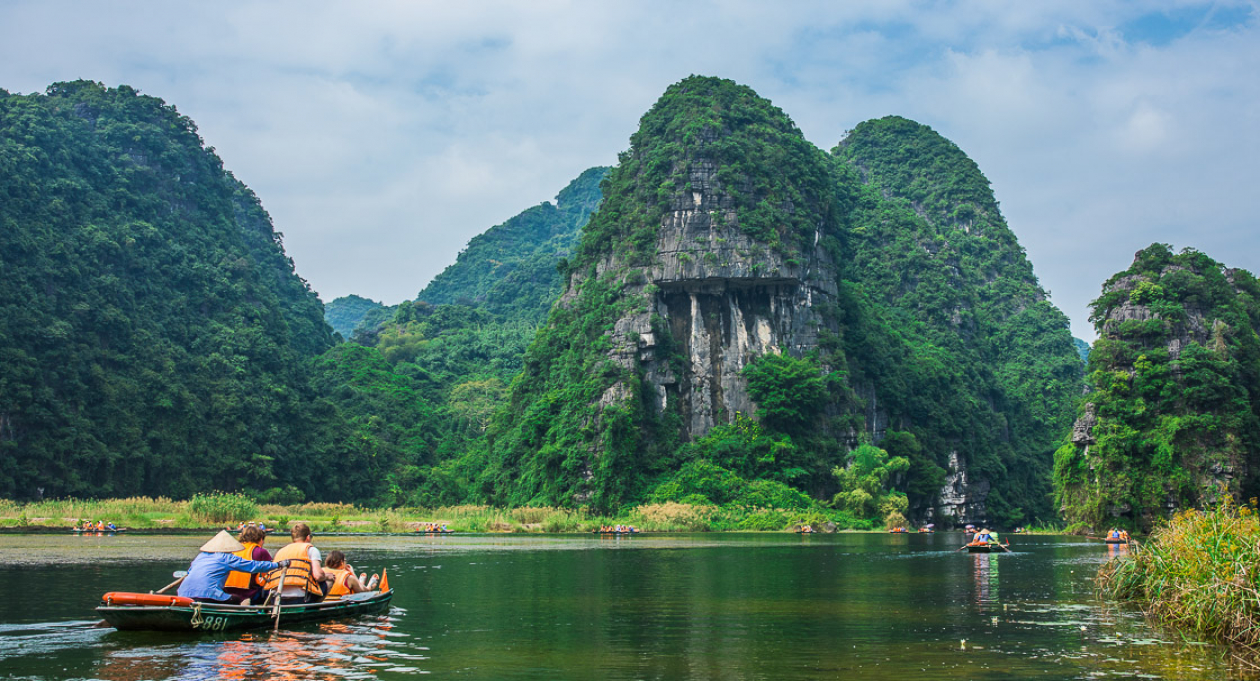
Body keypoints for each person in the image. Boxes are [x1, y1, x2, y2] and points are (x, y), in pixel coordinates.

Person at [178, 530, 284, 604]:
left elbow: (189, 573)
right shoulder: (226, 557)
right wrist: (277, 564)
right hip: (208, 595)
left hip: (183, 594)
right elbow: (252, 566)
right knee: (238, 599)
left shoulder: (201, 557)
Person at [263, 523, 325, 605]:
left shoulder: (281, 551)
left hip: (276, 598)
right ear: (308, 537)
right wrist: (326, 576)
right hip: (300, 599)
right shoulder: (311, 550)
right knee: (326, 581)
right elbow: (318, 576)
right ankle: (314, 609)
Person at [224, 525, 272, 604]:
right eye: (263, 540)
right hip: (249, 593)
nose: (263, 542)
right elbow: (272, 571)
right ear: (260, 539)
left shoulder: (233, 550)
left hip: (228, 592)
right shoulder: (260, 551)